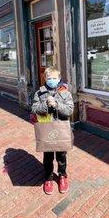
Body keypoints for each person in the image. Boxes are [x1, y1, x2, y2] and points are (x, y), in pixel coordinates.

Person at [31, 67, 74, 195]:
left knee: (61, 156)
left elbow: (70, 110)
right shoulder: (39, 93)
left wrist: (57, 105)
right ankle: (48, 178)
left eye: (54, 78)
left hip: (61, 128)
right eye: (49, 78)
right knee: (48, 156)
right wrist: (45, 105)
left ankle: (62, 176)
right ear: (45, 78)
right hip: (46, 129)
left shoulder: (65, 92)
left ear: (59, 78)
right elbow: (34, 108)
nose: (52, 80)